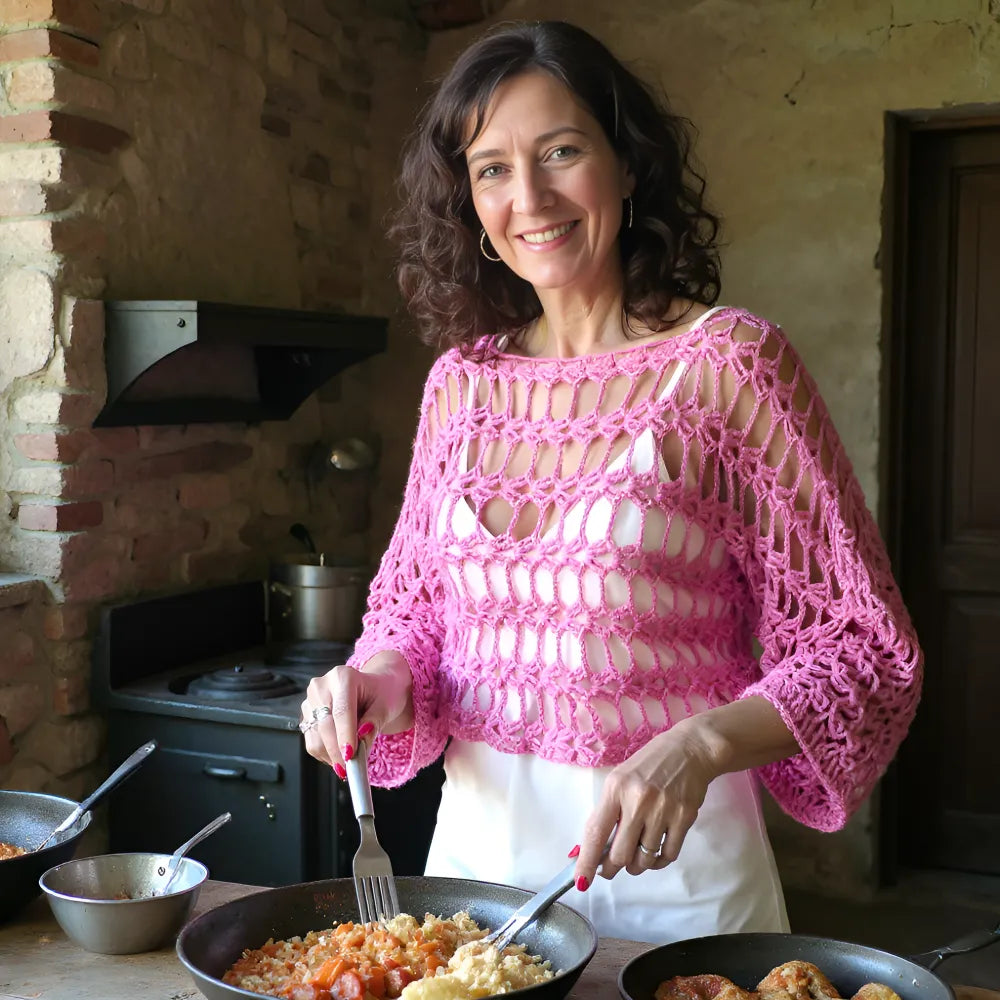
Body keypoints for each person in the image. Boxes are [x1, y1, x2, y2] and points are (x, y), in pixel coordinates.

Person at [299, 20, 922, 944]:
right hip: (476, 877)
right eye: (493, 169)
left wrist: (702, 743)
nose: (531, 196)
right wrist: (376, 680)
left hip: (677, 883)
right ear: (469, 203)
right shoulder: (462, 388)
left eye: (561, 151)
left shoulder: (729, 369)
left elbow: (866, 651)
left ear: (627, 168)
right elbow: (417, 624)